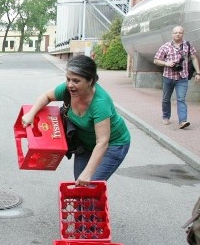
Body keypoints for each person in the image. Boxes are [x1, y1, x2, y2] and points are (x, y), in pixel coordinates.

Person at [20, 55, 130, 184]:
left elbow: (102, 142)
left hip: (113, 144)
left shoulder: (100, 103)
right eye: (68, 79)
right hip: (85, 144)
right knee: (80, 184)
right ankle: (83, 204)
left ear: (90, 81)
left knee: (90, 184)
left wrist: (88, 173)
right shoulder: (67, 90)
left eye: (76, 81)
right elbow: (47, 96)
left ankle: (90, 203)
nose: (70, 85)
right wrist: (31, 113)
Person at [153, 26, 200, 129]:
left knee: (181, 99)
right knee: (166, 99)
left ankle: (183, 121)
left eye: (180, 32)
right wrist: (166, 63)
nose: (178, 34)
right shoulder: (165, 46)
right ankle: (166, 116)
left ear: (183, 34)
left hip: (182, 77)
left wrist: (198, 73)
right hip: (168, 77)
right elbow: (156, 60)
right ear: (172, 34)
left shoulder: (187, 45)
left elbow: (194, 58)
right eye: (175, 32)